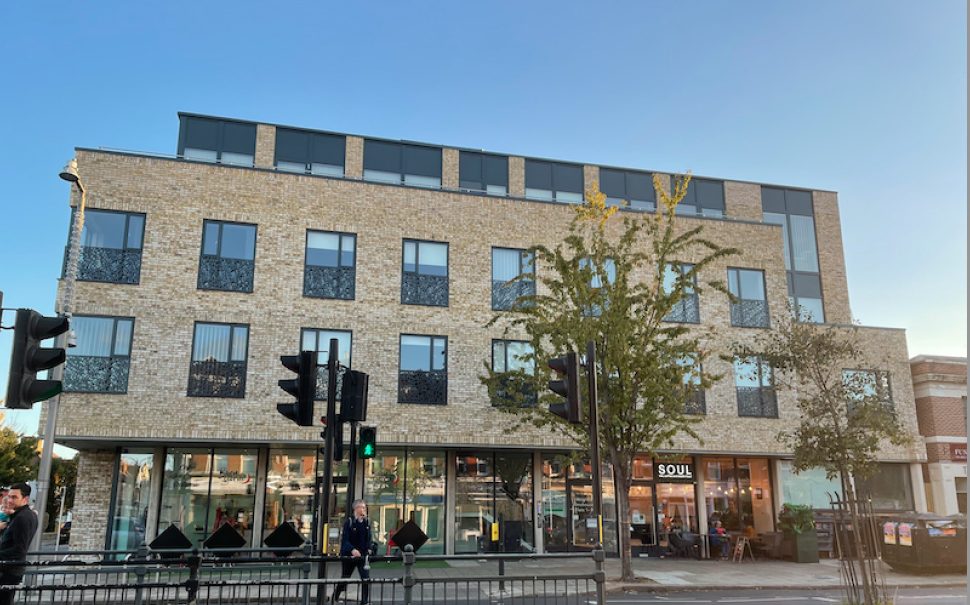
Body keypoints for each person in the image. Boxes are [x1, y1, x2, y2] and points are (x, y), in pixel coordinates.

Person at [0, 483, 39, 605]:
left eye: (14, 497)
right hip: (10, 569)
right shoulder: (23, 515)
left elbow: (19, 549)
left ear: (25, 499)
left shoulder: (23, 517)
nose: (10, 500)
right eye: (10, 497)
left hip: (8, 570)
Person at [332, 499, 373, 605]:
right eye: (360, 507)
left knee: (365, 578)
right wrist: (352, 550)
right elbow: (345, 540)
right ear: (355, 509)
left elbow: (369, 538)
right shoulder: (349, 522)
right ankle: (335, 597)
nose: (362, 510)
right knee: (345, 578)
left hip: (362, 556)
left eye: (364, 507)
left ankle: (365, 601)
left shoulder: (367, 522)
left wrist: (369, 548)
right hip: (349, 555)